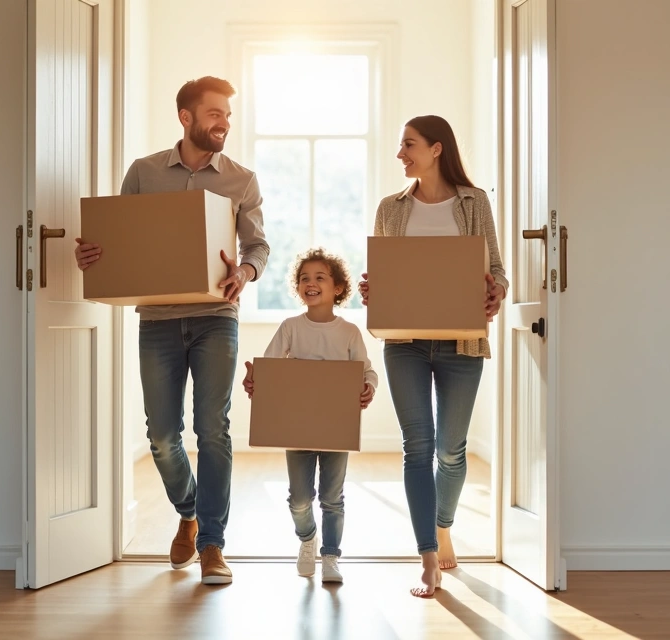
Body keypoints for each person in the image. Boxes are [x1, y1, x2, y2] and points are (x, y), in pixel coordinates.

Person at [73, 76, 269, 586]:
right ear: (186, 117)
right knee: (162, 436)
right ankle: (191, 510)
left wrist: (243, 275)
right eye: (214, 113)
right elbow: (116, 240)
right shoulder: (144, 173)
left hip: (215, 319)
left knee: (214, 430)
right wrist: (91, 255)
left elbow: (258, 249)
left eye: (228, 113)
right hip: (158, 319)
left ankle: (212, 545)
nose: (224, 121)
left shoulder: (241, 180)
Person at [357, 115, 508, 598]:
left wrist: (496, 292)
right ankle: (427, 557)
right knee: (417, 448)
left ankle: (444, 524)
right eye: (401, 145)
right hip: (404, 343)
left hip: (462, 341)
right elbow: (382, 272)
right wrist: (370, 288)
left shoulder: (473, 202)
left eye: (409, 145)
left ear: (437, 149)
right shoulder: (391, 208)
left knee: (451, 449)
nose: (400, 154)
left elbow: (497, 270)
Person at [241, 248, 378, 584]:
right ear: (298, 287)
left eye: (320, 277)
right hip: (297, 427)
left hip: (336, 428)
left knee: (333, 497)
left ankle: (331, 556)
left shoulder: (348, 333)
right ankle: (307, 540)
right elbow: (268, 369)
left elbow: (368, 371)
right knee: (299, 499)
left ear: (338, 288)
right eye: (304, 278)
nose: (311, 283)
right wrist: (254, 378)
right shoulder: (290, 328)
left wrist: (368, 387)